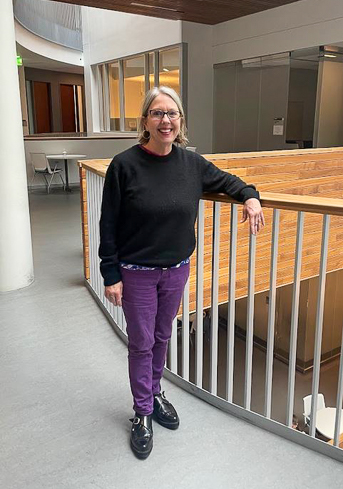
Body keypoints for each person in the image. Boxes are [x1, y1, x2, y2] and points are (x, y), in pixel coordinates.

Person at [99, 86, 264, 460]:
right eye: (157, 114)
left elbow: (230, 182)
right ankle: (142, 412)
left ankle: (155, 392)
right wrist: (111, 274)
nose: (165, 121)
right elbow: (108, 223)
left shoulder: (192, 165)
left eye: (172, 114)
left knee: (161, 336)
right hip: (137, 271)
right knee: (141, 342)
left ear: (181, 121)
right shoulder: (124, 166)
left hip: (176, 271)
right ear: (145, 121)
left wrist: (251, 197)